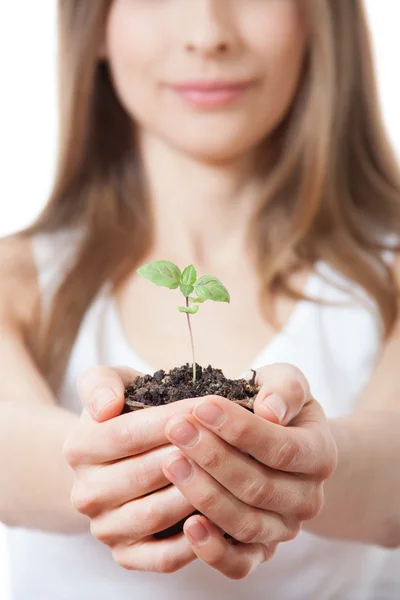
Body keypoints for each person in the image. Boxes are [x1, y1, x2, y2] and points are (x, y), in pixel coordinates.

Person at [1, 0, 400, 598]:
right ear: (96, 26)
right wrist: (103, 465)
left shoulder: (386, 275)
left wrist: (305, 461)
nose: (207, 33)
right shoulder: (18, 280)